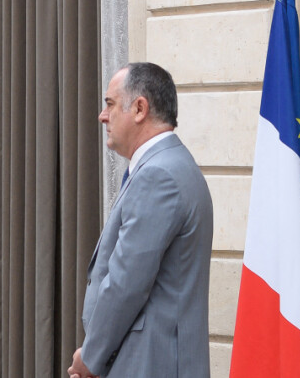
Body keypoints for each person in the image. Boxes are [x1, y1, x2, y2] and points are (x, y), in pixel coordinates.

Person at [68, 63, 213, 378]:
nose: (102, 116)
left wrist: (90, 357)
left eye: (109, 104)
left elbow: (125, 284)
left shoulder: (158, 175)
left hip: (148, 363)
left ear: (139, 108)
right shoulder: (171, 166)